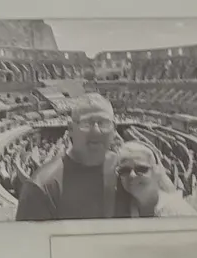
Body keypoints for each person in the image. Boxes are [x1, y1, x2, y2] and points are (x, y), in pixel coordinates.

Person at [15, 92, 176, 220]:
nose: (96, 131)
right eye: (86, 123)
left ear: (114, 129)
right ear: (70, 129)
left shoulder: (127, 172)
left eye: (104, 123)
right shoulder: (42, 188)